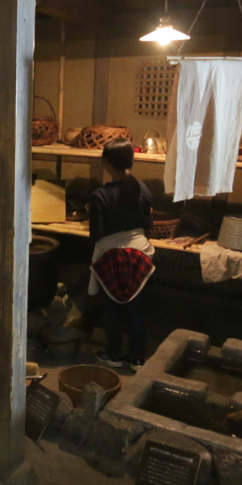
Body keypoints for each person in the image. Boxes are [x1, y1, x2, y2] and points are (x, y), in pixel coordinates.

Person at [88, 138, 155, 368]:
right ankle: (137, 357)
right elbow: (149, 225)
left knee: (113, 308)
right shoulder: (143, 189)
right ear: (131, 160)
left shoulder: (100, 195)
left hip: (112, 257)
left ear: (106, 163)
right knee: (137, 309)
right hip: (140, 255)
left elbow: (95, 235)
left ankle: (114, 354)